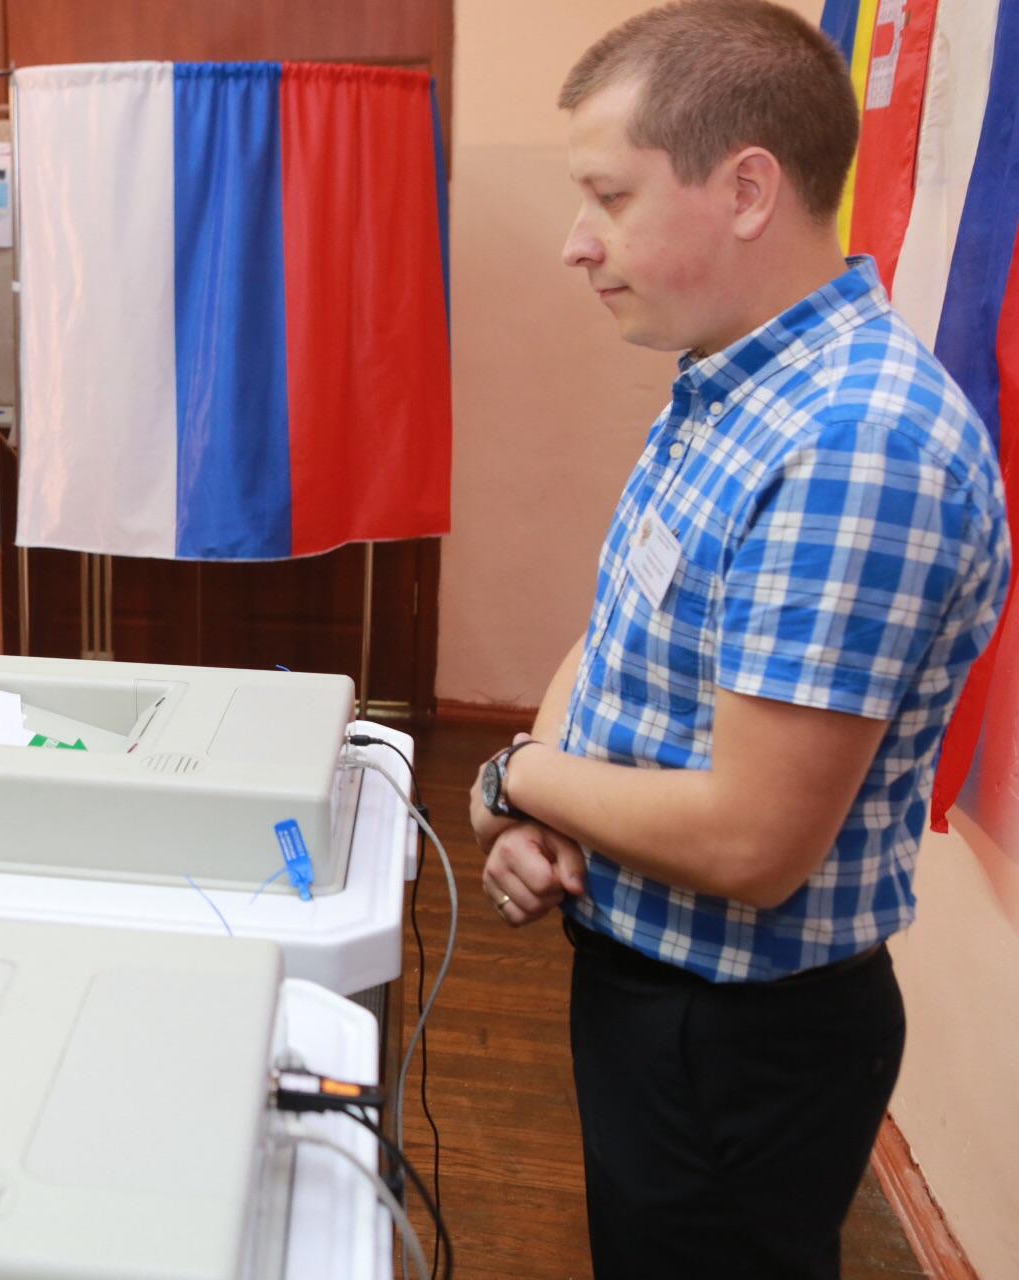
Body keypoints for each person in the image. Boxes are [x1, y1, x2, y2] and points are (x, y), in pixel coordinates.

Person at [466, 3, 1010, 1276]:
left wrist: (520, 778)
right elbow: (618, 634)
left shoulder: (853, 444)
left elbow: (751, 841)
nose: (576, 241)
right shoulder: (735, 387)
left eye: (610, 196)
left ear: (749, 189)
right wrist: (552, 806)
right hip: (652, 991)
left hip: (734, 1038)